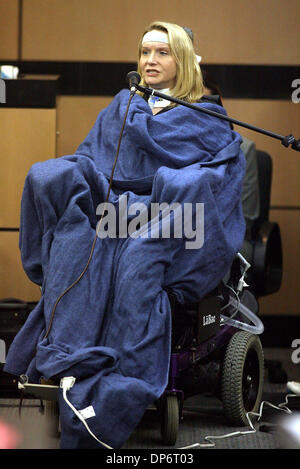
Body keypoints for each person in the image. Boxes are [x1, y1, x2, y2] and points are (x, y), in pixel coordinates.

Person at [4, 21, 246, 449]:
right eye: (144, 52)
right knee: (76, 238)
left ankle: (124, 373)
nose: (150, 61)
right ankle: (68, 355)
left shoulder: (207, 116)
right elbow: (89, 161)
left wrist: (166, 189)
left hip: (174, 216)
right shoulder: (122, 106)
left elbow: (217, 178)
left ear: (183, 61)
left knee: (138, 255)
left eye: (162, 53)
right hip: (115, 210)